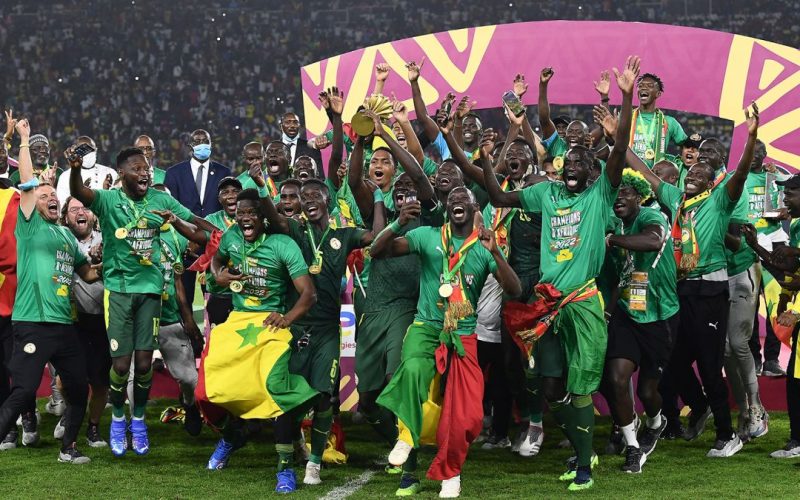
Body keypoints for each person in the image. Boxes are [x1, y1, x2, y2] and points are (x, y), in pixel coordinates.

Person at [482, 55, 638, 491]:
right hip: (547, 304)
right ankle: (579, 451)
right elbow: (496, 195)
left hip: (584, 302)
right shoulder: (546, 194)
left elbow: (620, 150)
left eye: (579, 161)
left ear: (593, 172)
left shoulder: (599, 196)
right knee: (548, 385)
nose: (570, 163)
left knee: (582, 387)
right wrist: (489, 151)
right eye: (566, 160)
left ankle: (584, 466)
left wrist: (624, 100)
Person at [629, 100, 761, 457]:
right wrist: (618, 138)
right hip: (680, 291)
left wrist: (751, 138)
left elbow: (742, 173)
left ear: (711, 183)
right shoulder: (676, 200)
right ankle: (699, 409)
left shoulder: (719, 201)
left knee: (708, 363)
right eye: (691, 175)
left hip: (710, 291)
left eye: (702, 176)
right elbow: (646, 173)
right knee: (671, 364)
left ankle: (726, 434)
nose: (694, 178)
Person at [372, 186, 521, 498]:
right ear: (445, 208)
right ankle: (407, 437)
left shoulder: (483, 246)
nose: (456, 202)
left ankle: (451, 474)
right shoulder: (428, 236)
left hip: (464, 334)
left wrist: (495, 251)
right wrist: (398, 222)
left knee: (465, 414)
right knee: (412, 369)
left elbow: (515, 289)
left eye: (463, 199)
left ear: (474, 207)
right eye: (451, 199)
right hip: (427, 325)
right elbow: (378, 251)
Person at [69, 145, 216, 457]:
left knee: (146, 363)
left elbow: (198, 226)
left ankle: (138, 422)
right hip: (119, 291)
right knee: (121, 366)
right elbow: (79, 192)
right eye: (137, 168)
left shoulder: (161, 199)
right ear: (122, 174)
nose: (144, 172)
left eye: (146, 167)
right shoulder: (109, 200)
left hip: (150, 290)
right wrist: (74, 167)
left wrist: (220, 234)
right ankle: (119, 418)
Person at [256, 164, 385, 487]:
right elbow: (273, 217)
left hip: (327, 329)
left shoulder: (343, 235)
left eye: (315, 195)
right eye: (303, 196)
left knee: (325, 397)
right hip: (294, 327)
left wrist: (379, 199)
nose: (308, 199)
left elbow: (377, 238)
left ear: (327, 201)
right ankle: (285, 466)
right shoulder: (296, 232)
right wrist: (262, 187)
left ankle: (313, 463)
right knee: (288, 398)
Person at [204, 188, 318, 494]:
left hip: (271, 325)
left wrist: (286, 319)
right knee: (222, 389)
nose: (244, 218)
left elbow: (308, 293)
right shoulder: (230, 238)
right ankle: (229, 439)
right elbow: (213, 265)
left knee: (274, 390)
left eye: (251, 213)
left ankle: (284, 469)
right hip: (237, 323)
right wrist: (220, 276)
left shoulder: (282, 244)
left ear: (263, 216)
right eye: (240, 213)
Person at [0, 118, 101, 463]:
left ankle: (68, 448)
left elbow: (87, 274)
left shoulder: (66, 237)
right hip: (31, 323)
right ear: (33, 204)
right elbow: (27, 183)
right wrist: (24, 140)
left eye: (53, 195)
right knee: (23, 392)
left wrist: (112, 262)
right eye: (43, 196)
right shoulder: (28, 228)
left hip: (63, 327)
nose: (50, 198)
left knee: (78, 390)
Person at [597, 167, 677, 474]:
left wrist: (614, 240)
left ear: (639, 198)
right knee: (616, 379)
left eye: (627, 193)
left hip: (661, 316)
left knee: (647, 392)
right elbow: (622, 276)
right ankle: (632, 445)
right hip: (628, 315)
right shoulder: (614, 225)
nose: (620, 198)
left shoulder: (651, 218)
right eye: (616, 194)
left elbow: (654, 242)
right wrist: (609, 311)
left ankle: (656, 422)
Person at [741, 174, 800, 458]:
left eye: (790, 193)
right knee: (794, 377)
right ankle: (796, 439)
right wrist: (755, 245)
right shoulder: (797, 225)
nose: (784, 199)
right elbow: (788, 273)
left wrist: (796, 310)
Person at [62, 197, 110, 448]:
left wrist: (105, 259)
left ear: (93, 215)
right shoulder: (59, 239)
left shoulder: (108, 239)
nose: (81, 213)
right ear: (66, 217)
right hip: (71, 319)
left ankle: (93, 427)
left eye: (85, 208)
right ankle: (69, 415)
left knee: (100, 379)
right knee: (67, 377)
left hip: (103, 319)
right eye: (74, 210)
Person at [164, 129, 231, 306]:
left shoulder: (224, 172)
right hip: (184, 245)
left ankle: (213, 331)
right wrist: (186, 238)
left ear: (211, 144)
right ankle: (184, 332)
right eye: (197, 140)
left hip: (214, 245)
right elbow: (171, 208)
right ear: (190, 146)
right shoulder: (174, 173)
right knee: (183, 296)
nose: (202, 143)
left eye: (205, 140)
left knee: (215, 298)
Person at [629, 73, 687, 168]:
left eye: (650, 86)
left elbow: (687, 147)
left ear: (658, 94)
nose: (644, 88)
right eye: (640, 86)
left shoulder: (669, 122)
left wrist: (675, 165)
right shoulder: (626, 118)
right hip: (626, 175)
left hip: (655, 178)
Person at [55, 136, 116, 203]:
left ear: (96, 150)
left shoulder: (110, 172)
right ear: (75, 152)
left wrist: (105, 192)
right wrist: (81, 192)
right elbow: (62, 205)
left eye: (91, 149)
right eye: (83, 151)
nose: (88, 153)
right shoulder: (65, 177)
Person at [280, 111, 323, 176]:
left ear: (299, 126)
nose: (292, 125)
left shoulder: (311, 148)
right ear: (281, 127)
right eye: (288, 122)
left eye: (295, 122)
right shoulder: (272, 148)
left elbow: (319, 176)